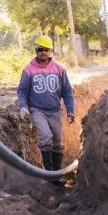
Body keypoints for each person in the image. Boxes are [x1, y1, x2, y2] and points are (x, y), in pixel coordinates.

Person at [16, 35, 75, 172]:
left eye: (46, 49)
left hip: (55, 111)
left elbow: (67, 92)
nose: (43, 52)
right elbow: (22, 91)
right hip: (37, 110)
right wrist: (23, 106)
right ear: (36, 50)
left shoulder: (60, 70)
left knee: (57, 143)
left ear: (50, 51)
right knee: (46, 136)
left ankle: (56, 172)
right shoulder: (28, 70)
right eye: (40, 49)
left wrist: (70, 110)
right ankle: (48, 171)